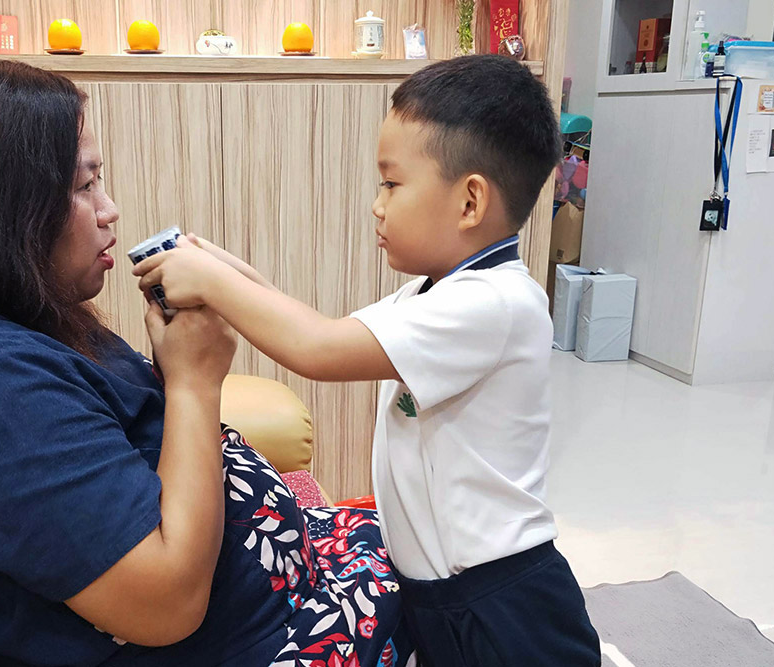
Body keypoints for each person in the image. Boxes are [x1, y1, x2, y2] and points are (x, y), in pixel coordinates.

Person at [0, 60, 411, 667]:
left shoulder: (34, 318)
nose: (110, 210)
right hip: (276, 641)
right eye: (83, 187)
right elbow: (165, 602)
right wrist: (195, 381)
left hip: (309, 582)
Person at [134, 55, 601, 666]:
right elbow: (300, 316)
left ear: (469, 202)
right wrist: (213, 266)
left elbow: (318, 347)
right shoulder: (438, 291)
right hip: (441, 591)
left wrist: (213, 284)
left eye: (392, 183)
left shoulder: (495, 303)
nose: (377, 205)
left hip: (503, 601)